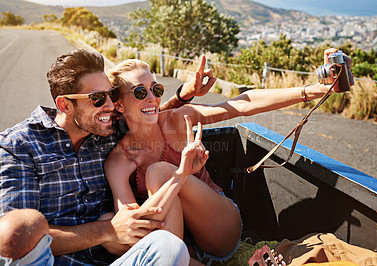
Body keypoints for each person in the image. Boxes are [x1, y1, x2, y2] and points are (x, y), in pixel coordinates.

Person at [104, 48, 345, 265]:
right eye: (139, 92)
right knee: (116, 223)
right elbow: (131, 223)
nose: (151, 98)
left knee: (158, 173)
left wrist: (312, 90)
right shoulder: (118, 161)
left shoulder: (176, 120)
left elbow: (240, 105)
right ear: (119, 105)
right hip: (184, 242)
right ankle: (183, 258)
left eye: (156, 89)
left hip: (220, 227)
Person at [0, 48, 216, 265]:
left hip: (114, 259)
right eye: (97, 99)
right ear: (64, 105)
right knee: (19, 231)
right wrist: (107, 230)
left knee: (169, 246)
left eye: (111, 95)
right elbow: (16, 240)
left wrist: (183, 95)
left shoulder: (106, 131)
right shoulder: (20, 145)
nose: (111, 105)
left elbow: (144, 114)